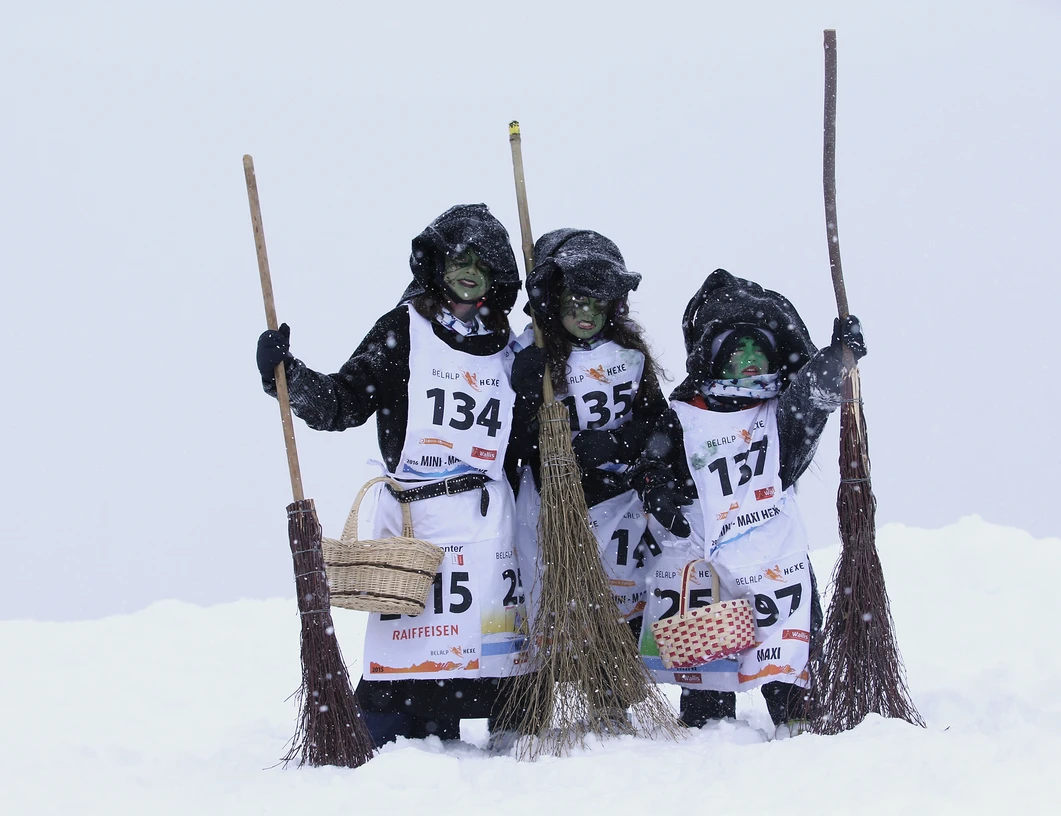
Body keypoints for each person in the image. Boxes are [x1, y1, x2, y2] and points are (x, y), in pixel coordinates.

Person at [255, 203, 529, 748]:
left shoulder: (512, 346)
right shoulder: (403, 331)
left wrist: (543, 376)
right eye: (459, 259)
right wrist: (287, 375)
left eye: (483, 263)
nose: (469, 272)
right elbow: (344, 402)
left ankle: (507, 747)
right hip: (414, 520)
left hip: (487, 522)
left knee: (497, 657)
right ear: (437, 266)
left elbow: (531, 438)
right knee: (408, 651)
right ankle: (407, 739)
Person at [630, 269, 866, 739]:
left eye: (760, 348)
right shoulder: (684, 412)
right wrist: (656, 484)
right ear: (715, 358)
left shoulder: (779, 414)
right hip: (702, 555)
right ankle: (707, 724)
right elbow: (654, 456)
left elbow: (810, 402)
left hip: (769, 552)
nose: (752, 359)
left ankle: (795, 720)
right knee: (706, 657)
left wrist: (836, 360)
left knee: (788, 650)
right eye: (739, 350)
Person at [508, 229, 668, 710]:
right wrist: (524, 395)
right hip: (552, 498)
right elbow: (509, 441)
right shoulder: (529, 351)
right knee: (545, 602)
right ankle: (527, 707)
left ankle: (613, 696)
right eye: (575, 299)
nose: (584, 313)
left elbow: (659, 424)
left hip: (617, 499)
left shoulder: (631, 355)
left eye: (597, 304)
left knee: (617, 600)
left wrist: (617, 442)